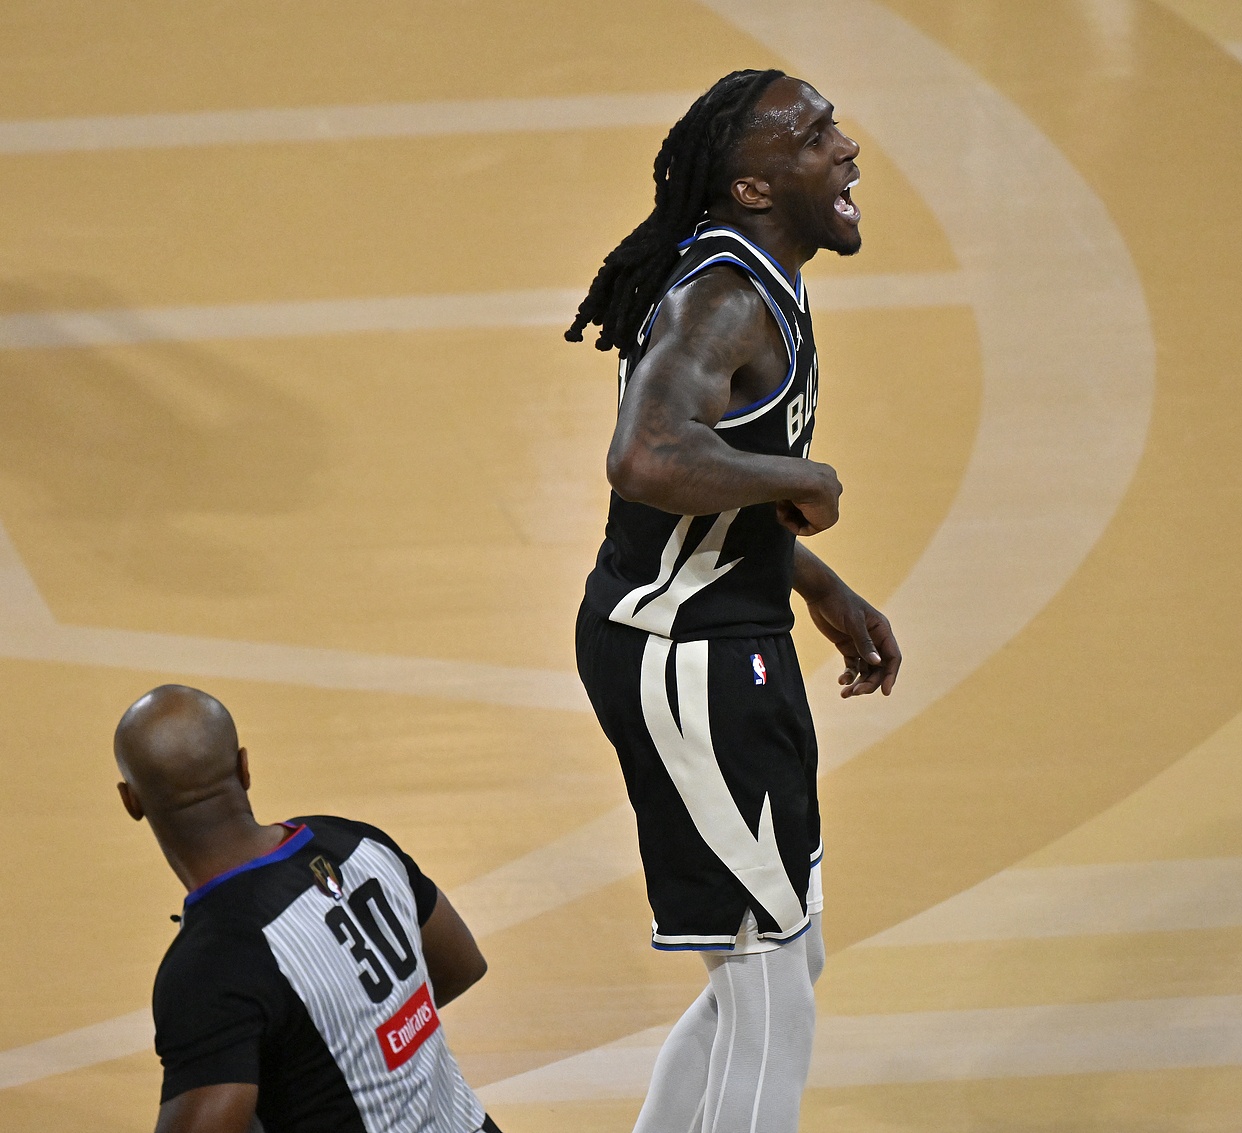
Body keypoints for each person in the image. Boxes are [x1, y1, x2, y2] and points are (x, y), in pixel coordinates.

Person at [565, 68, 901, 1132]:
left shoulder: (760, 276)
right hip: (684, 657)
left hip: (729, 632)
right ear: (753, 189)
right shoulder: (723, 299)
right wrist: (805, 480)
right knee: (767, 984)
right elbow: (647, 455)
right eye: (812, 137)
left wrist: (816, 580)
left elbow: (708, 478)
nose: (844, 147)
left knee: (781, 957)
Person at [114, 684, 498, 1133]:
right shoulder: (355, 843)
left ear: (131, 801)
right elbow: (461, 964)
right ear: (243, 768)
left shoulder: (210, 962)